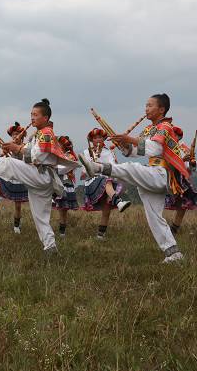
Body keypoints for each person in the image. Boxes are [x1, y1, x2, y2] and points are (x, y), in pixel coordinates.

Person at [0, 99, 79, 254]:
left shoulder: (46, 134)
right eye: (31, 114)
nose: (32, 117)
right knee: (40, 217)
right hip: (41, 179)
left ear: (46, 118)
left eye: (35, 115)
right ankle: (50, 247)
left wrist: (17, 148)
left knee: (8, 164)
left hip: (41, 174)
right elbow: (25, 154)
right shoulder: (38, 134)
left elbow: (38, 157)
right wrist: (13, 149)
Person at [79, 93, 185, 263]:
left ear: (161, 109)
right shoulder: (150, 129)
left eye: (150, 105)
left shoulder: (166, 127)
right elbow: (135, 152)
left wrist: (130, 139)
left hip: (162, 174)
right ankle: (174, 254)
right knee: (154, 217)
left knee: (132, 169)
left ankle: (97, 167)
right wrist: (125, 146)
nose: (146, 109)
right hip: (153, 175)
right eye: (146, 105)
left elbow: (155, 149)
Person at [80, 128, 130, 240]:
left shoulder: (109, 152)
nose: (98, 140)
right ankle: (118, 201)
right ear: (91, 140)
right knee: (106, 181)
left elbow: (112, 167)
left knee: (106, 208)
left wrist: (107, 166)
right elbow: (84, 173)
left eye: (100, 137)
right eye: (95, 138)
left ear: (103, 139)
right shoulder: (86, 152)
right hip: (92, 181)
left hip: (107, 180)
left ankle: (100, 235)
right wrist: (91, 167)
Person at [0, 123, 29, 234]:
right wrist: (4, 153)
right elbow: (2, 157)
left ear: (22, 136)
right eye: (13, 135)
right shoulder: (8, 145)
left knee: (18, 206)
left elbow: (28, 159)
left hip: (21, 177)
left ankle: (16, 226)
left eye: (17, 134)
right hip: (10, 175)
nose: (15, 136)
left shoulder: (26, 146)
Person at [164, 126, 197, 234]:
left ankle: (174, 229)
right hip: (165, 177)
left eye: (175, 136)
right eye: (171, 135)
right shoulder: (163, 147)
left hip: (180, 180)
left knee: (183, 205)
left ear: (179, 137)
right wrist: (182, 160)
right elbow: (166, 164)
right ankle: (159, 226)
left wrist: (192, 163)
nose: (173, 138)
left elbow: (191, 168)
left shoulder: (183, 149)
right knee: (159, 202)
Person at [53, 135, 79, 238]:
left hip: (65, 183)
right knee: (60, 209)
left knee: (63, 210)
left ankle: (62, 233)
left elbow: (65, 168)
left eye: (59, 144)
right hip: (55, 182)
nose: (57, 146)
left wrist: (54, 167)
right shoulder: (55, 155)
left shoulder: (70, 156)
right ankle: (60, 232)